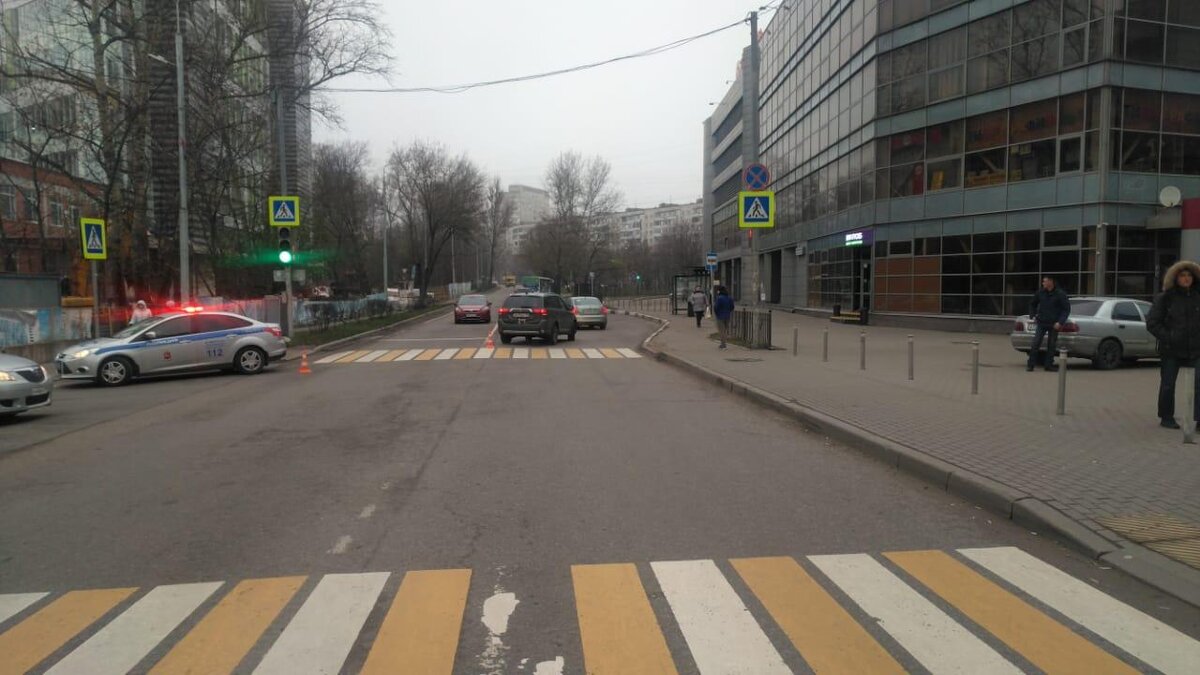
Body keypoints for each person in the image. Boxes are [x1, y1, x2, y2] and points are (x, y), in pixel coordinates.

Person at [1147, 261, 1200, 429]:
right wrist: (1169, 337)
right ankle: (1166, 416)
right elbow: (1153, 323)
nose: (1186, 278)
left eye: (1189, 275)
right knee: (1168, 384)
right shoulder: (1165, 298)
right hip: (1171, 349)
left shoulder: (1198, 296)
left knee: (1199, 383)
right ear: (1175, 278)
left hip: (1196, 348)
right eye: (1182, 275)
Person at [1027, 276, 1070, 372]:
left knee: (1051, 345)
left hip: (1054, 324)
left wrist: (1060, 322)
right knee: (1035, 343)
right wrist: (1032, 315)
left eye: (1044, 281)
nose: (1043, 283)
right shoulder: (1040, 293)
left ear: (1051, 282)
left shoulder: (1060, 294)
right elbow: (1032, 303)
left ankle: (1049, 365)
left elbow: (1066, 309)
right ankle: (1030, 365)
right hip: (1041, 322)